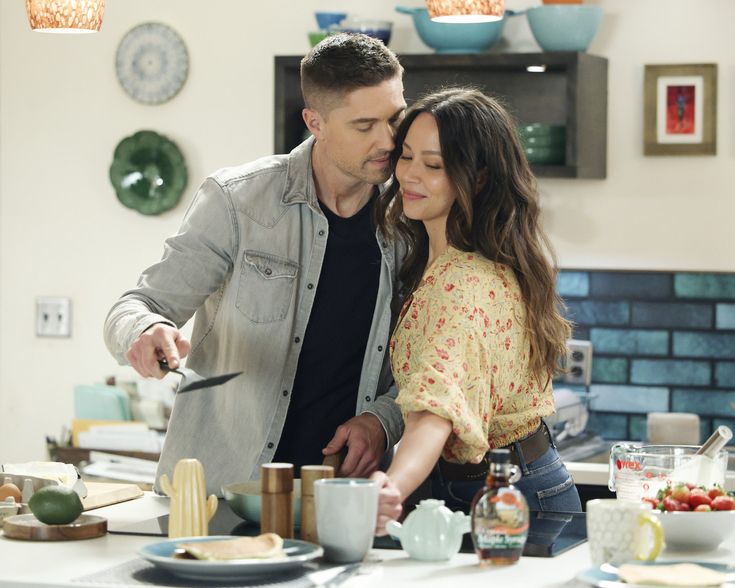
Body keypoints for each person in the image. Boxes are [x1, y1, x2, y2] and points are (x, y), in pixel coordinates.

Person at [104, 33, 408, 496]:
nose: (388, 140)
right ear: (315, 123)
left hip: (347, 500)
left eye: (395, 118)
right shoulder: (236, 201)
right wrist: (145, 332)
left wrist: (382, 420)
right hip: (219, 495)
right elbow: (135, 305)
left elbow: (429, 363)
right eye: (364, 125)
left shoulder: (413, 220)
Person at [370, 87, 582, 534]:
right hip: (513, 482)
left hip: (505, 497)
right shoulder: (448, 258)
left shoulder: (461, 283)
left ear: (479, 178)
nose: (409, 175)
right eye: (406, 157)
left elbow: (435, 410)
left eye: (433, 165)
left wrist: (389, 488)